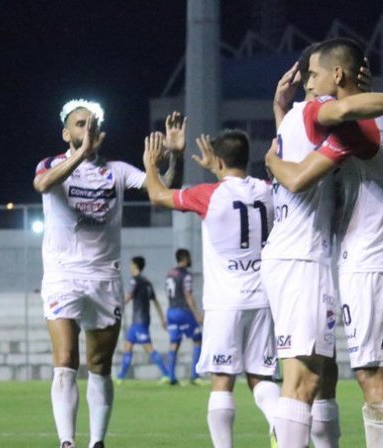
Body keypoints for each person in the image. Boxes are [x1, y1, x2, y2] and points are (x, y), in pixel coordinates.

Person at [262, 41, 383, 448]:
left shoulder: (353, 125)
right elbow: (330, 121)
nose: (312, 86)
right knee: (336, 376)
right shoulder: (351, 118)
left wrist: (272, 155)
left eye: (316, 77)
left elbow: (307, 159)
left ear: (337, 75)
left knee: (363, 374)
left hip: (367, 257)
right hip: (343, 255)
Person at [33, 99, 177, 448]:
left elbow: (162, 190)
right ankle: (67, 442)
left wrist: (173, 155)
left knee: (100, 364)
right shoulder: (52, 164)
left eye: (92, 123)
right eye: (80, 124)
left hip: (104, 277)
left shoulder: (118, 170)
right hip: (62, 275)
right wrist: (79, 156)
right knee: (66, 359)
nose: (87, 129)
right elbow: (42, 185)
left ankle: (97, 442)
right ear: (67, 133)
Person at [143, 121, 281, 448]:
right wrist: (218, 170)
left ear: (217, 161)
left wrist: (152, 165)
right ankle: (285, 430)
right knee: (261, 378)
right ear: (246, 159)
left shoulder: (208, 195)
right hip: (264, 299)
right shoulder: (268, 189)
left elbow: (157, 194)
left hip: (225, 302)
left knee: (222, 382)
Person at [116, 256, 169, 383]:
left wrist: (117, 307)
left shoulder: (135, 281)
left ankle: (167, 374)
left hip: (139, 320)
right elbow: (155, 302)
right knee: (128, 346)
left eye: (131, 265)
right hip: (140, 320)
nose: (130, 267)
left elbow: (129, 295)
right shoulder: (147, 282)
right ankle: (120, 377)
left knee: (148, 348)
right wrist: (162, 319)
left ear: (135, 266)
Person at [164, 248, 203, 385]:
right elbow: (188, 295)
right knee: (198, 339)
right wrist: (197, 314)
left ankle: (171, 376)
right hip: (183, 311)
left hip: (171, 311)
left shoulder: (170, 273)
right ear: (185, 258)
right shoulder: (186, 275)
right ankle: (194, 375)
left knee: (174, 342)